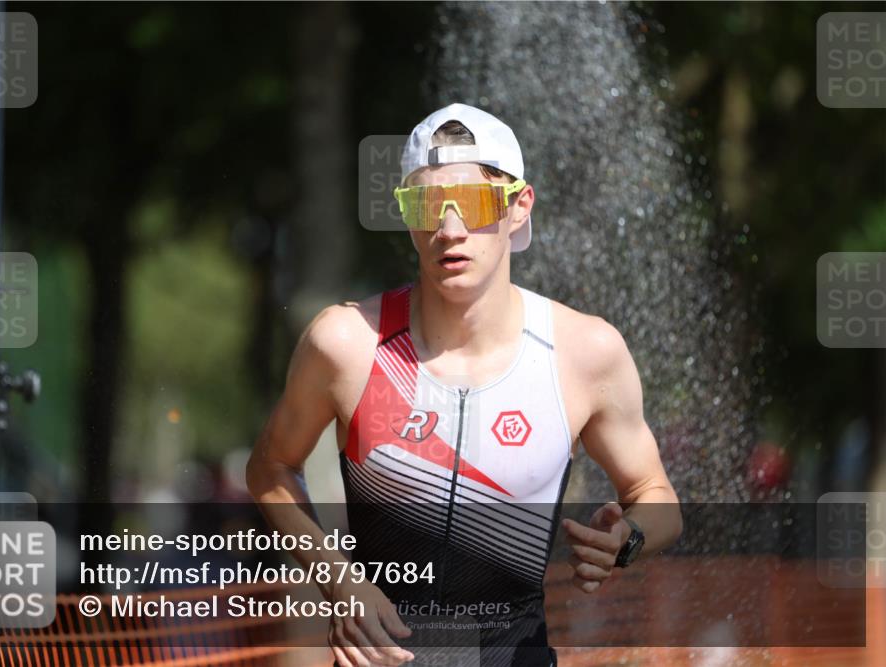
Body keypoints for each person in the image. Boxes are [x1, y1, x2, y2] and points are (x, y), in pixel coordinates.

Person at [247, 103, 683, 667]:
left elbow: (658, 497)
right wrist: (338, 580)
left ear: (518, 207)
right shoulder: (346, 342)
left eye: (474, 204)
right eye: (427, 205)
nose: (449, 230)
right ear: (406, 215)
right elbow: (270, 467)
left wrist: (627, 540)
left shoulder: (585, 353)